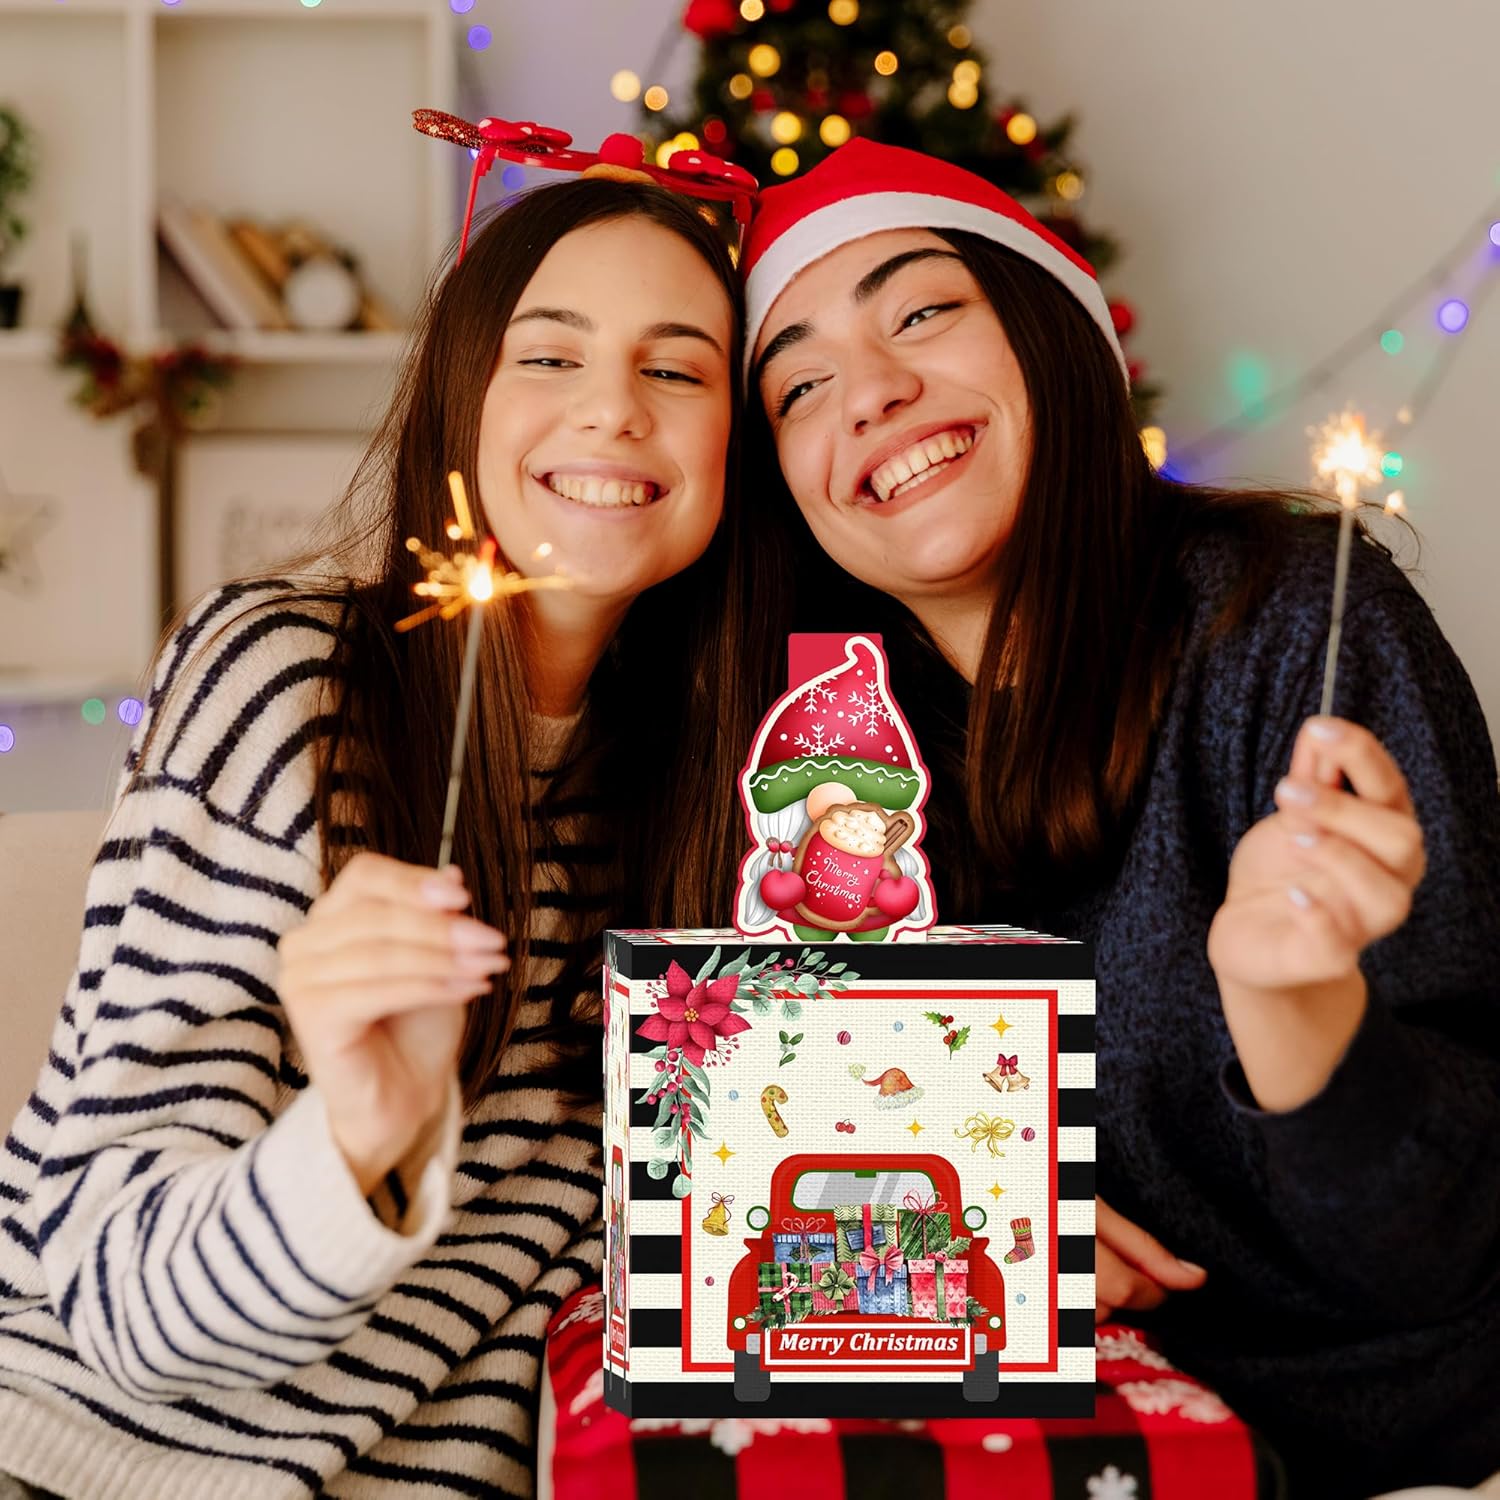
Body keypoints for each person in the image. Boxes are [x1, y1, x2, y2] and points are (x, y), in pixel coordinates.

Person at [738, 138, 1500, 1499]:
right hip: (1040, 1449)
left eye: (919, 312)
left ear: (1050, 333)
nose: (873, 394)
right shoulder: (819, 761)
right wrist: (985, 1235)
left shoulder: (1295, 628)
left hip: (1389, 1449)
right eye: (800, 384)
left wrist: (1298, 1014)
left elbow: (1442, 1246)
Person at [0, 168, 766, 1499]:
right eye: (549, 351)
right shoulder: (284, 686)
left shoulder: (741, 795)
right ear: (461, 394)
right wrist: (353, 1141)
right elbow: (118, 1303)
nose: (610, 406)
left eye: (680, 370)